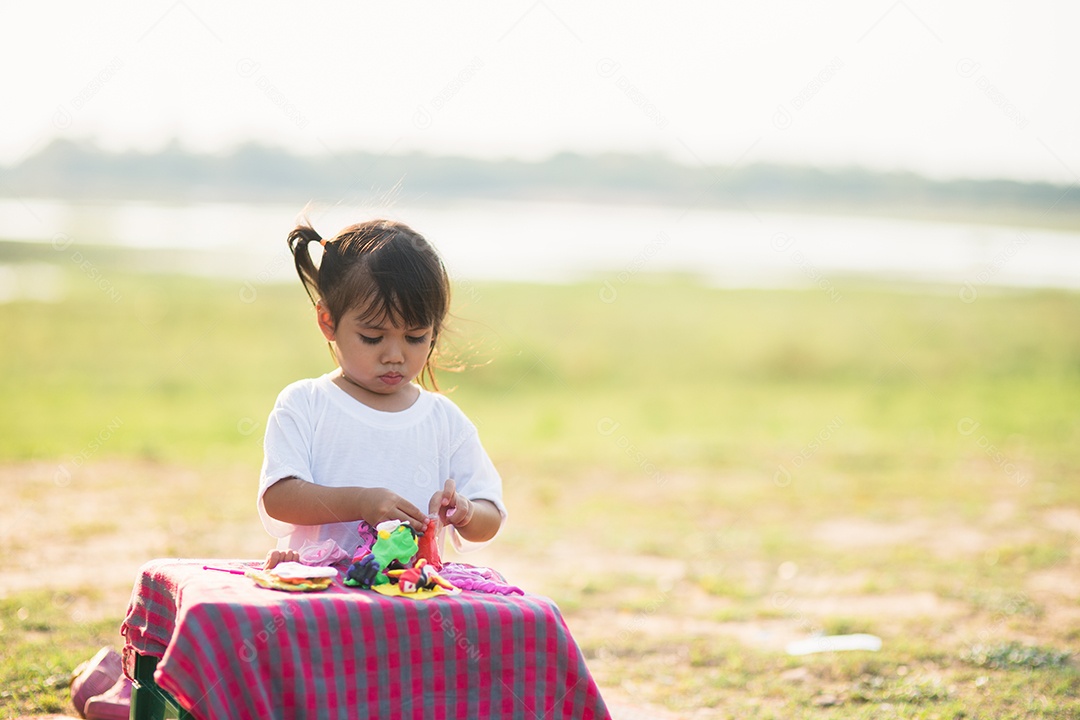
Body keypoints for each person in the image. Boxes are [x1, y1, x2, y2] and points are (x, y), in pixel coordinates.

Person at [258, 219, 505, 570]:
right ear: (328, 320)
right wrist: (360, 502)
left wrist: (466, 511)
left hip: (411, 599)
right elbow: (279, 497)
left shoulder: (444, 420)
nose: (394, 355)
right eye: (373, 338)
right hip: (323, 594)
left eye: (416, 337)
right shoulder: (306, 404)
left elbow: (490, 514)